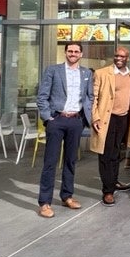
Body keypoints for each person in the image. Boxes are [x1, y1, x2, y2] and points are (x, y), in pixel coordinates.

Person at [36, 41, 93, 218]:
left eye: (76, 51)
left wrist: (85, 119)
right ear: (65, 52)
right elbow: (42, 96)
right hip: (57, 120)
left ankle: (67, 196)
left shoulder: (86, 73)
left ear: (81, 54)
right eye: (70, 51)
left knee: (71, 161)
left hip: (76, 121)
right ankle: (45, 202)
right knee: (50, 162)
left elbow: (89, 97)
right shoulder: (53, 70)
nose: (73, 53)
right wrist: (48, 117)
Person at [91, 47, 130, 207]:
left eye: (122, 56)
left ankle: (114, 181)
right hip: (106, 119)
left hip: (122, 119)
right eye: (117, 55)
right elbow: (93, 97)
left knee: (117, 152)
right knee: (105, 154)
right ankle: (107, 191)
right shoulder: (102, 73)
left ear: (127, 58)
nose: (119, 58)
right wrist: (95, 117)